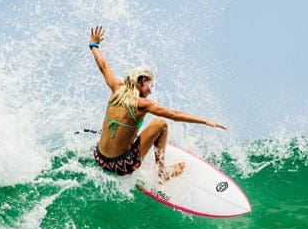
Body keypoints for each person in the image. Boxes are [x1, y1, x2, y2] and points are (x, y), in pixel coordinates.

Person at [89, 25, 226, 182]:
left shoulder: (116, 88)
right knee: (161, 123)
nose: (151, 91)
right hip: (121, 166)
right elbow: (174, 115)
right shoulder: (142, 104)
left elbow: (103, 66)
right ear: (141, 82)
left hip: (99, 158)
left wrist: (94, 45)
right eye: (150, 86)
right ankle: (162, 172)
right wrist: (205, 121)